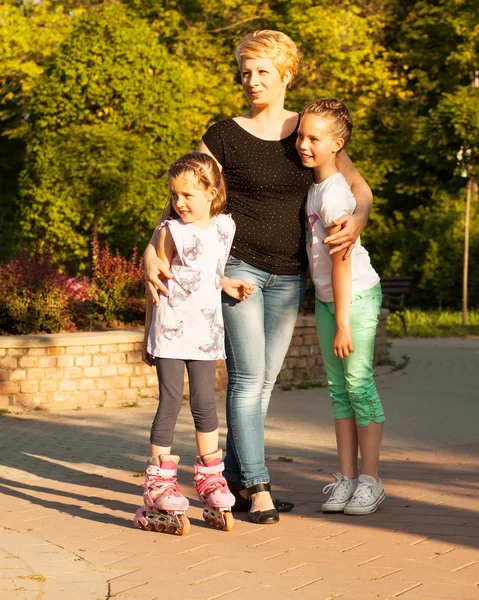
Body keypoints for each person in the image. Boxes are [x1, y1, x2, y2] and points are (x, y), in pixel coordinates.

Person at [145, 30, 373, 524]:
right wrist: (152, 243)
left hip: (289, 277)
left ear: (287, 74)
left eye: (262, 72)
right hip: (239, 271)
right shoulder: (224, 133)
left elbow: (357, 185)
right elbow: (184, 193)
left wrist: (358, 219)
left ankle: (234, 478)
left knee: (264, 383)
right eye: (245, 72)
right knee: (247, 381)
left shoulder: (306, 133)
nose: (251, 81)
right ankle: (258, 485)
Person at [134, 152, 255, 535]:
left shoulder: (224, 228)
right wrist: (147, 334)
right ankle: (158, 484)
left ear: (212, 192)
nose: (179, 202)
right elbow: (155, 284)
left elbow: (203, 272)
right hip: (170, 331)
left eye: (188, 194)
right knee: (170, 402)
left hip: (205, 333)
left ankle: (210, 479)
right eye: (174, 195)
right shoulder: (170, 231)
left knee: (204, 403)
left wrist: (226, 283)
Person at [298, 98, 385, 515]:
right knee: (339, 392)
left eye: (314, 138)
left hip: (356, 299)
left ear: (338, 144)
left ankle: (370, 480)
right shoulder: (316, 187)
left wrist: (345, 323)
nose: (303, 144)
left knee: (359, 386)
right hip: (330, 301)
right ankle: (347, 479)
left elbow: (342, 259)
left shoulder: (334, 194)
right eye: (301, 135)